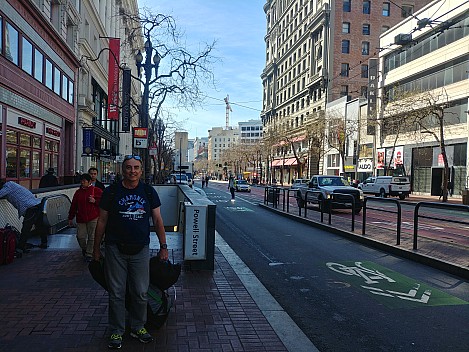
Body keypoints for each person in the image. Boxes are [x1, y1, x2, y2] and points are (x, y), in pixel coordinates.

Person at [92, 155, 168, 350]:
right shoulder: (111, 192)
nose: (132, 171)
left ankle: (138, 327)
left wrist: (163, 246)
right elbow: (101, 221)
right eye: (128, 168)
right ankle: (117, 330)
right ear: (122, 170)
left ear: (141, 171)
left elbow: (158, 220)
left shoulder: (149, 192)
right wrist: (95, 248)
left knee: (141, 292)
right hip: (115, 248)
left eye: (136, 168)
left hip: (140, 249)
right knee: (116, 292)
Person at [0, 179, 48, 251]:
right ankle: (44, 243)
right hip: (36, 204)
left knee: (26, 228)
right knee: (40, 226)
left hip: (30, 207)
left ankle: (20, 247)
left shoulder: (7, 187)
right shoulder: (11, 184)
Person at [68, 174, 103, 262]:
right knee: (80, 236)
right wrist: (70, 217)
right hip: (81, 218)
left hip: (93, 217)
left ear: (89, 182)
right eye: (81, 181)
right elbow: (74, 205)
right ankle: (85, 248)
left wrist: (95, 201)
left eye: (84, 181)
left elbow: (103, 202)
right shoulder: (78, 193)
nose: (82, 183)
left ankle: (89, 253)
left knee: (92, 236)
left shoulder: (96, 191)